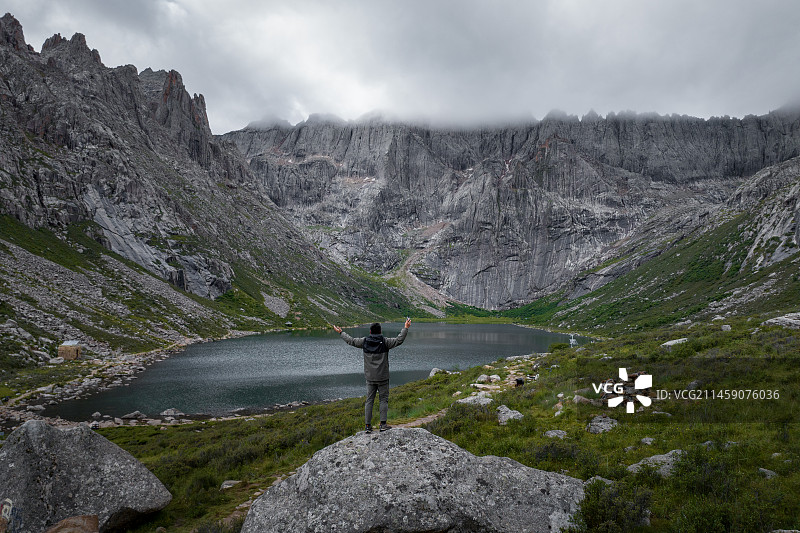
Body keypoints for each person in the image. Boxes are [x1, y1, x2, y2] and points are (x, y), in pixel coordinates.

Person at [333, 319, 411, 433]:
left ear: (370, 331)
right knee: (383, 400)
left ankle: (368, 426)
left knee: (369, 400)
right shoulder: (385, 341)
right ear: (380, 331)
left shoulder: (364, 341)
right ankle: (383, 424)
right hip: (383, 377)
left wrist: (341, 332)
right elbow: (399, 340)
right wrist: (406, 327)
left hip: (370, 378)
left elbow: (351, 341)